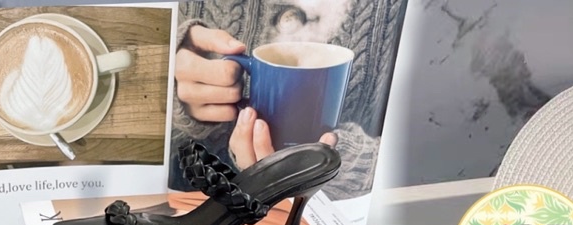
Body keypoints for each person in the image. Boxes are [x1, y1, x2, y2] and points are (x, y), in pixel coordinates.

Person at [170, 0, 406, 200]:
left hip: (332, 220)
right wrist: (167, 84)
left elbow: (414, 160)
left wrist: (339, 162)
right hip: (192, 204)